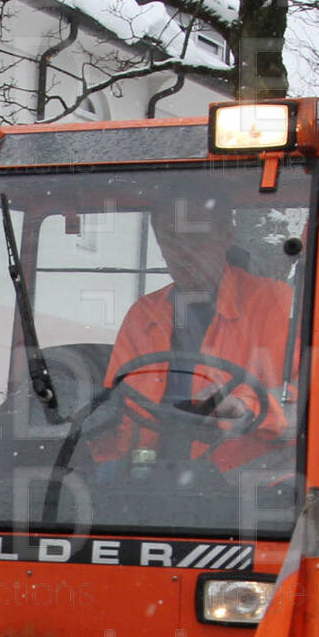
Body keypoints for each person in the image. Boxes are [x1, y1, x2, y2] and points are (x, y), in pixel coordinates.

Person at [90, 193, 293, 474]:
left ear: (226, 235)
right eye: (170, 239)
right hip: (148, 471)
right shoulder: (143, 314)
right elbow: (117, 405)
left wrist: (245, 407)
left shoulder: (274, 304)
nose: (182, 252)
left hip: (243, 481)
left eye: (195, 237)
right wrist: (96, 425)